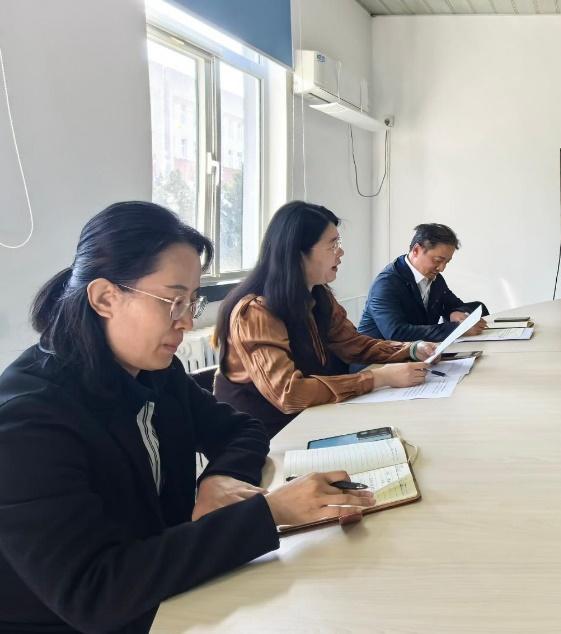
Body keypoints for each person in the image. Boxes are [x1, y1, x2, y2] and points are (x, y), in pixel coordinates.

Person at [0, 202, 375, 633]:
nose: (185, 322)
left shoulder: (155, 372)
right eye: (173, 300)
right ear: (105, 298)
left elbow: (241, 428)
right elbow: (94, 593)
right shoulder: (28, 421)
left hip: (168, 586)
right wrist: (269, 512)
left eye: (192, 301)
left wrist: (218, 479)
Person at [214, 202, 435, 437]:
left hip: (312, 416)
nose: (341, 252)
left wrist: (412, 349)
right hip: (265, 436)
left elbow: (353, 344)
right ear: (298, 252)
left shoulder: (319, 295)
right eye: (333, 245)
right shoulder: (256, 311)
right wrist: (378, 378)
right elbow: (289, 394)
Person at [358, 223, 487, 342]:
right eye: (437, 260)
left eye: (446, 262)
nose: (442, 268)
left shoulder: (435, 278)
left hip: (418, 352)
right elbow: (396, 333)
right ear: (416, 250)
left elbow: (456, 304)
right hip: (378, 357)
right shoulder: (386, 284)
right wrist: (456, 329)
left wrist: (453, 312)